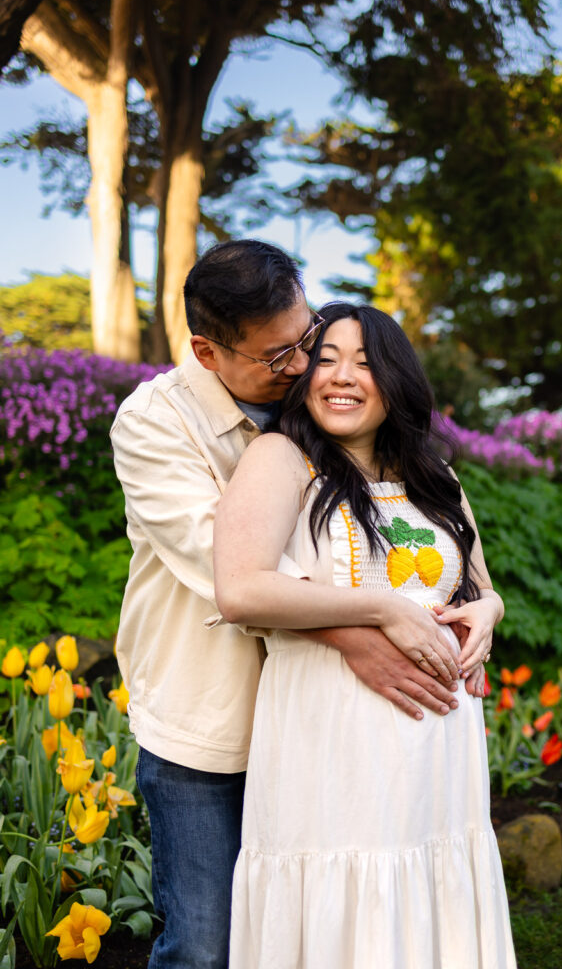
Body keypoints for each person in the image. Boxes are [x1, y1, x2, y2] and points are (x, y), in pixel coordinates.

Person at [110, 241, 474, 969]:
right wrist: (365, 624)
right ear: (208, 352)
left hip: (319, 734)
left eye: (305, 339)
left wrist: (479, 608)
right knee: (206, 945)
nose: (303, 366)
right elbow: (235, 571)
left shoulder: (329, 423)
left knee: (309, 934)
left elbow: (427, 549)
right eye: (278, 357)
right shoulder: (155, 424)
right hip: (211, 722)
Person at [214, 302, 516, 968]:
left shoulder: (435, 478)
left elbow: (478, 587)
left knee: (425, 894)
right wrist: (380, 607)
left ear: (394, 379)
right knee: (343, 897)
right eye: (324, 359)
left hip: (438, 751)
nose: (340, 376)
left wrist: (487, 615)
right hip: (332, 743)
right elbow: (239, 589)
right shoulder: (282, 459)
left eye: (363, 362)